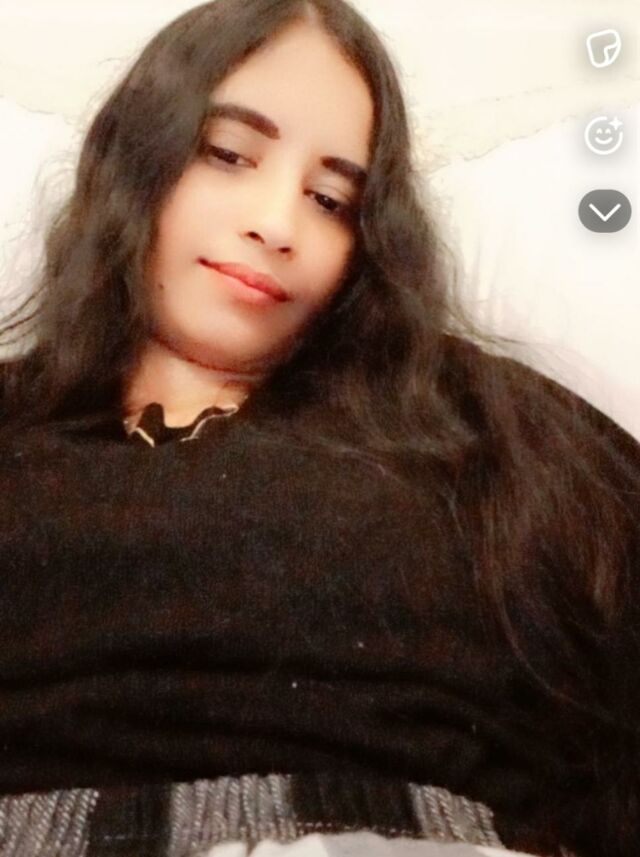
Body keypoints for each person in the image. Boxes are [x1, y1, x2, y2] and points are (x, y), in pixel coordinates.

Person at [0, 1, 637, 856]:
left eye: (333, 200)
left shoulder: (477, 420)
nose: (277, 224)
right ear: (136, 159)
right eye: (228, 153)